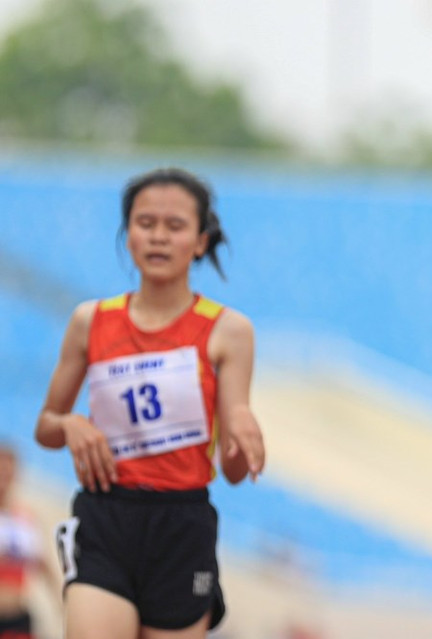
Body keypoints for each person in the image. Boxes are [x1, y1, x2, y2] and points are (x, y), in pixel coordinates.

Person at [35, 167, 266, 639]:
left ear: (200, 241)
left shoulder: (229, 331)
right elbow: (45, 426)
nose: (159, 237)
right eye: (146, 223)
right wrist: (71, 425)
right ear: (128, 235)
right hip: (106, 516)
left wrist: (242, 429)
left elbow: (235, 472)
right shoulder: (90, 321)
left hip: (182, 526)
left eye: (175, 226)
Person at [0, 443, 60, 639]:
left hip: (18, 615)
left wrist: (61, 603)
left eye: (8, 469)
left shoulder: (25, 519)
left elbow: (44, 565)